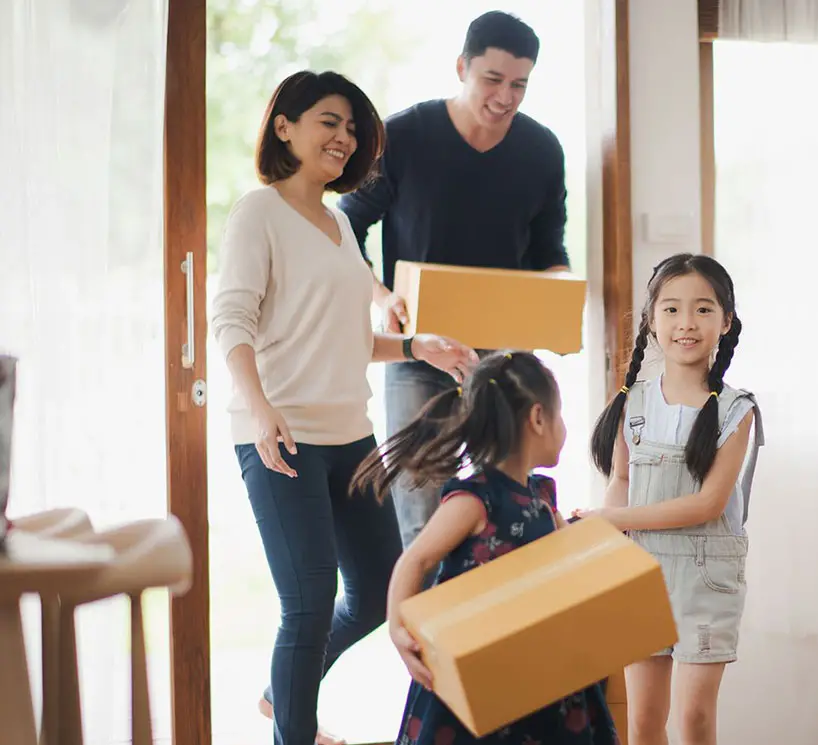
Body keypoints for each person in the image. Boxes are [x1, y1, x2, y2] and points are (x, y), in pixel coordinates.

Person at [210, 69, 480, 745]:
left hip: (350, 435)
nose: (343, 136)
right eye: (328, 121)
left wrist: (419, 347)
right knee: (305, 605)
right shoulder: (259, 211)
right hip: (283, 436)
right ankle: (294, 733)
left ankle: (282, 694)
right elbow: (231, 321)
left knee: (374, 590)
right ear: (285, 126)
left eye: (352, 128)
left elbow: (351, 338)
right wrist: (260, 408)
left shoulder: (336, 223)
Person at [338, 10, 570, 559]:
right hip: (421, 355)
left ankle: (492, 640)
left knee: (510, 517)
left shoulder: (542, 151)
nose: (505, 97)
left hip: (506, 362)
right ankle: (425, 639)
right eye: (492, 80)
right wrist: (382, 296)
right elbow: (346, 227)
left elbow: (549, 252)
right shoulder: (403, 137)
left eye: (519, 85)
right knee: (422, 520)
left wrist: (556, 303)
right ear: (462, 67)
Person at [350, 351, 618, 745]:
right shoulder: (475, 499)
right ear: (538, 418)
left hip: (539, 673)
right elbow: (416, 559)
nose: (563, 428)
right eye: (560, 417)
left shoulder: (542, 497)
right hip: (477, 676)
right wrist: (397, 628)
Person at [578, 254, 764, 745]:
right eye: (672, 309)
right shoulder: (630, 401)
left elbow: (707, 505)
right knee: (642, 721)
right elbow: (620, 478)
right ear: (651, 320)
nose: (686, 323)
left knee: (695, 719)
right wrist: (609, 533)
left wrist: (612, 518)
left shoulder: (736, 410)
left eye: (704, 310)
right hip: (641, 572)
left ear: (726, 321)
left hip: (706, 577)